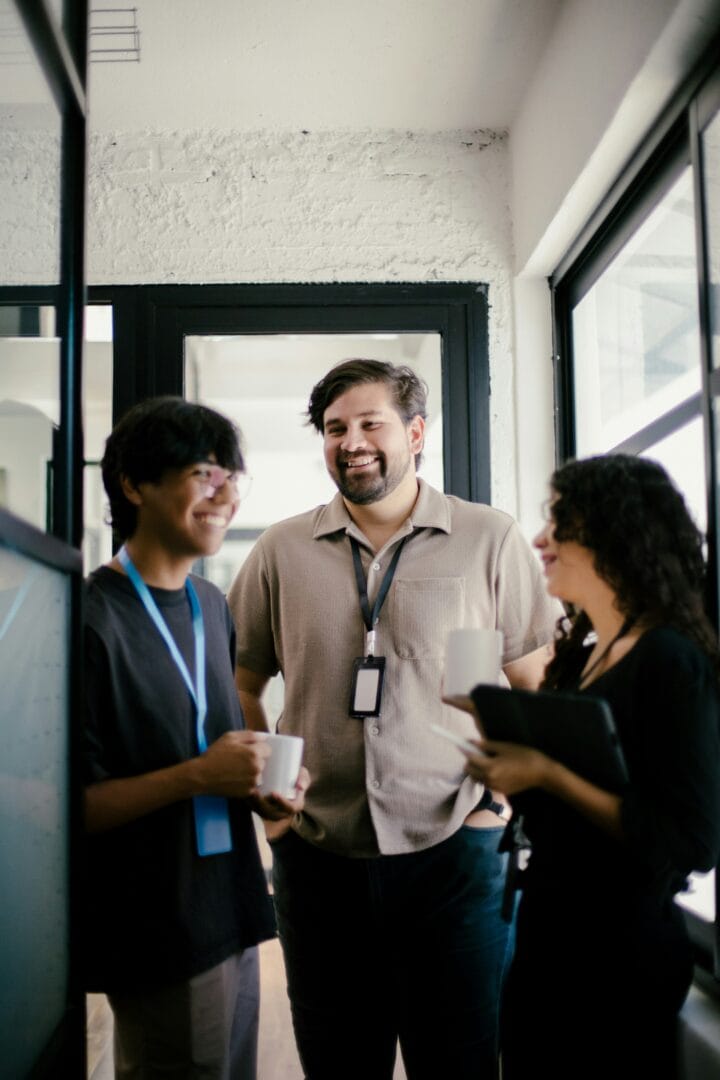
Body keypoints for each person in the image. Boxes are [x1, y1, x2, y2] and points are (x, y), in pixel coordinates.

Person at [226, 359, 560, 1080]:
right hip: (317, 856)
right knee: (338, 1062)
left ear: (414, 432)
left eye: (370, 423)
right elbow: (240, 682)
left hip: (457, 852)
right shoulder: (280, 549)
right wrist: (270, 799)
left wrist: (499, 806)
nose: (351, 442)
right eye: (334, 428)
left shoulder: (488, 537)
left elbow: (535, 686)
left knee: (460, 1063)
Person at [463, 454, 720, 1080]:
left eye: (559, 523)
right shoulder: (582, 654)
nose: (539, 540)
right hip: (552, 934)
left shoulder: (670, 659)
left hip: (619, 956)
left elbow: (691, 839)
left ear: (613, 532)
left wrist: (546, 774)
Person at [83, 397, 307, 1080]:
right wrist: (198, 776)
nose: (226, 496)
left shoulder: (212, 605)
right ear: (134, 485)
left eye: (233, 479)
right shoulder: (89, 619)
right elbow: (71, 807)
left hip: (231, 907)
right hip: (154, 922)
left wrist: (262, 789)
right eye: (205, 475)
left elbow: (216, 748)